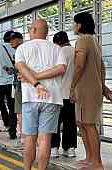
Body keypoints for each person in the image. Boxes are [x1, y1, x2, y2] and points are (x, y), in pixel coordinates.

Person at [15, 19, 67, 170]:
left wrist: (34, 80)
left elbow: (21, 67)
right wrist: (37, 78)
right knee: (45, 139)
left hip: (30, 98)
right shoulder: (57, 49)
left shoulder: (23, 48)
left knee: (29, 138)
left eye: (30, 29)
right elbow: (61, 68)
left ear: (34, 30)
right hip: (52, 98)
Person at [69, 12, 105, 170]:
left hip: (86, 88)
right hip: (91, 87)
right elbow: (102, 67)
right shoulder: (94, 41)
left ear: (80, 25)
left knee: (88, 124)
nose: (73, 26)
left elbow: (79, 65)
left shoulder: (83, 40)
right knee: (82, 123)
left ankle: (96, 162)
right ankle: (90, 158)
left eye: (74, 23)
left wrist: (72, 86)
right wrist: (103, 87)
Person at [49, 31, 77, 158]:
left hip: (57, 93)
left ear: (57, 43)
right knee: (70, 122)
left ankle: (54, 148)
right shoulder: (76, 51)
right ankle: (70, 149)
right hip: (72, 94)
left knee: (55, 122)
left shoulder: (57, 53)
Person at [9, 32, 24, 144]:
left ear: (19, 40)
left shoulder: (20, 50)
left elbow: (21, 69)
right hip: (21, 85)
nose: (11, 42)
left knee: (20, 112)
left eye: (13, 39)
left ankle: (22, 136)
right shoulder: (21, 50)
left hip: (21, 85)